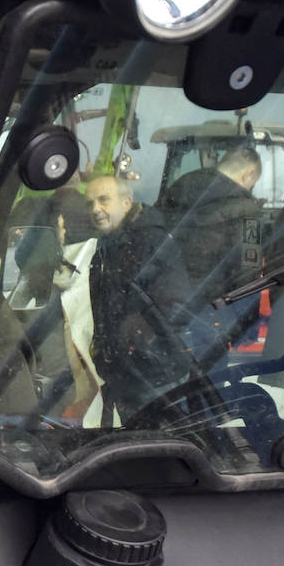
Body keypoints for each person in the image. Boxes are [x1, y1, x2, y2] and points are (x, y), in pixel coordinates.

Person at [85, 174, 193, 422]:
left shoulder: (149, 240)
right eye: (89, 203)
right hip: (129, 373)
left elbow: (176, 302)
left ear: (126, 202)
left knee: (159, 448)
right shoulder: (108, 245)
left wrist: (136, 340)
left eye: (103, 200)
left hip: (155, 375)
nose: (95, 209)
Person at [160, 144, 265, 304]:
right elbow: (248, 271)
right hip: (208, 307)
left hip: (163, 296)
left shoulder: (180, 186)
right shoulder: (249, 212)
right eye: (252, 185)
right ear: (248, 174)